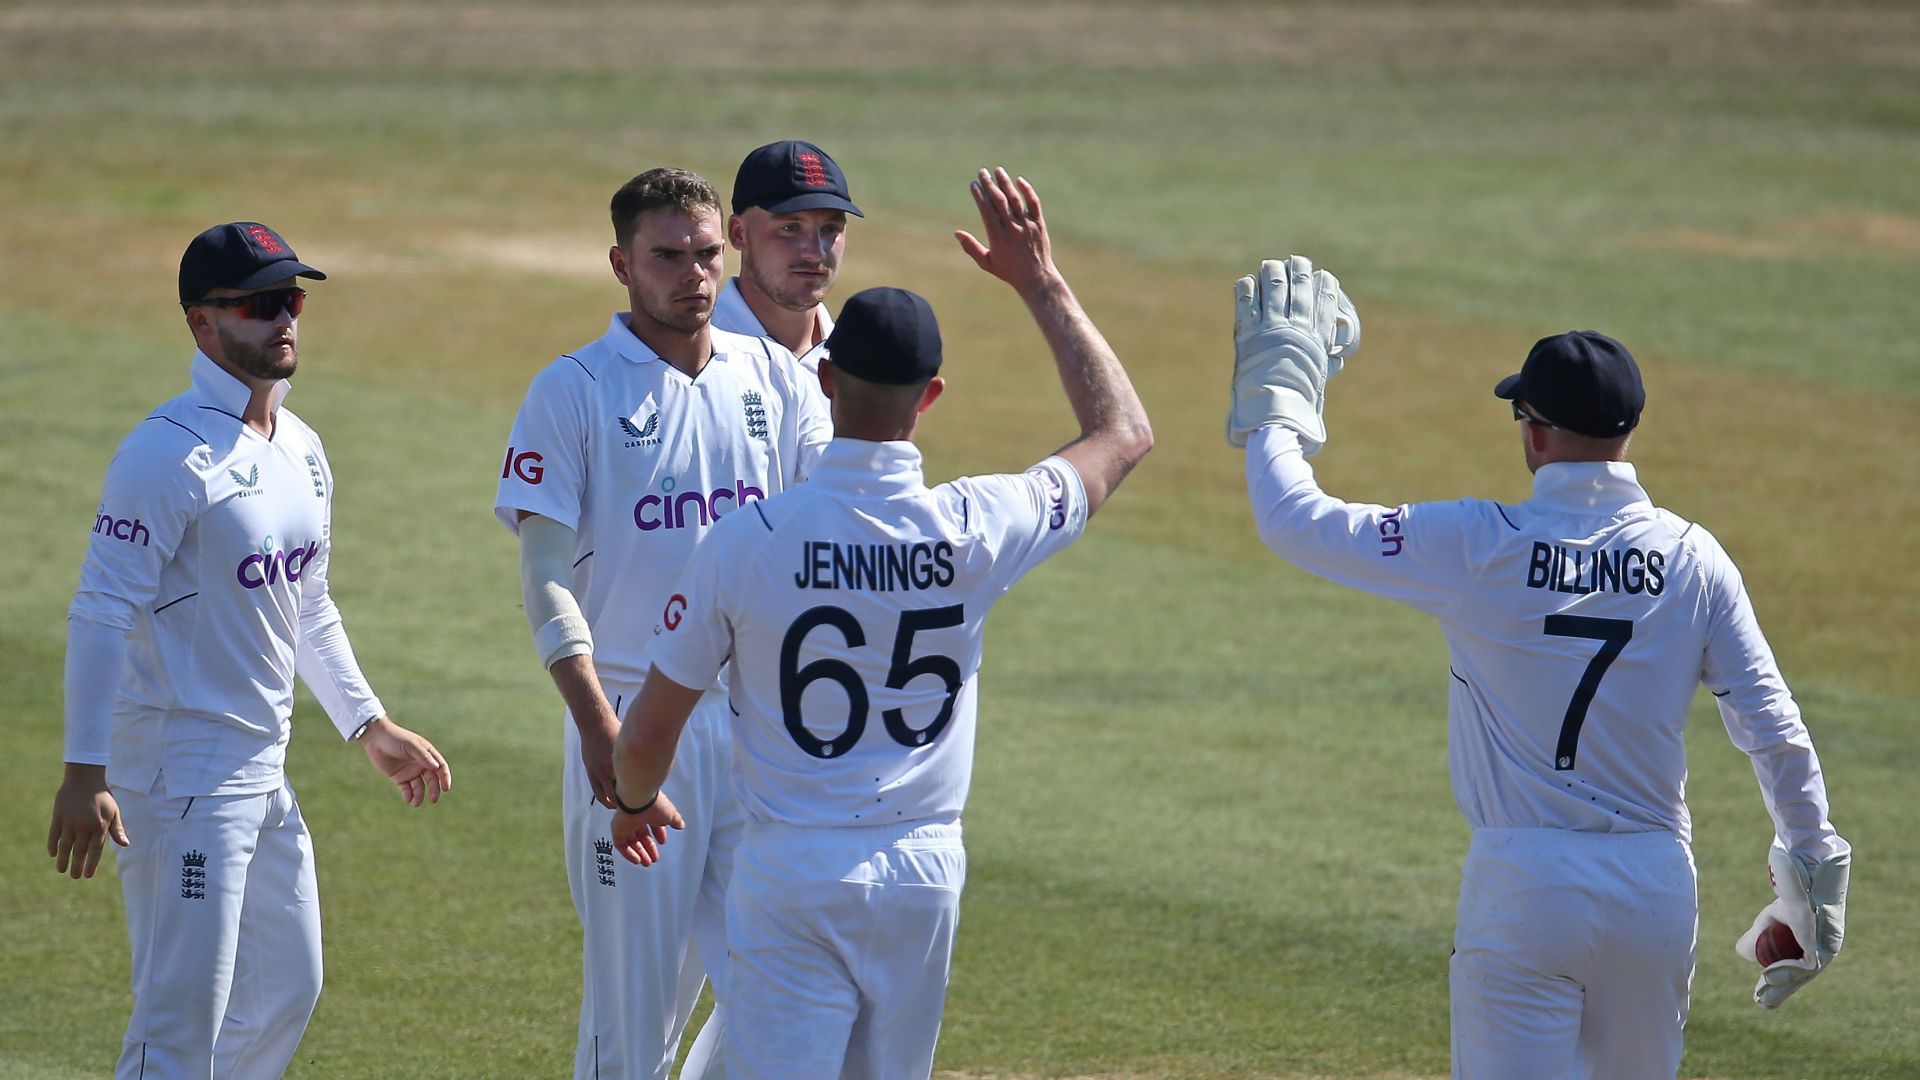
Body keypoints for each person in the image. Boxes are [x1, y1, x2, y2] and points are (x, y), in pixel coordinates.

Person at [1225, 257, 1851, 1078]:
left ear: (1533, 429)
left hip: (1525, 885)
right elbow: (1773, 728)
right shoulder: (1695, 560)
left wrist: (1282, 389)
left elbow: (1291, 517)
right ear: (1629, 429)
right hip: (1654, 886)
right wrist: (1812, 885)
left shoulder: (1476, 546)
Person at [608, 167, 1153, 1080]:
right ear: (929, 397)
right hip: (924, 872)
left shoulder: (747, 541)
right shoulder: (978, 524)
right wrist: (1041, 283)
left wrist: (631, 803)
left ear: (824, 382)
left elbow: (649, 733)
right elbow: (1122, 431)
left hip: (793, 868)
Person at [46, 221, 453, 1078]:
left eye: (291, 300)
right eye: (259, 304)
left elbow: (308, 603)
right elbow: (98, 613)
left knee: (285, 992)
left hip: (264, 767)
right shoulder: (165, 453)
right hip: (179, 775)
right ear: (202, 323)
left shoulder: (301, 449)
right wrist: (86, 772)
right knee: (179, 1024)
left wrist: (367, 724)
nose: (283, 320)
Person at [494, 167, 832, 1080]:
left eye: (707, 254)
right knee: (631, 1023)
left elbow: (822, 538)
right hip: (637, 721)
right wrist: (599, 727)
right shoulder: (572, 391)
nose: (693, 274)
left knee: (780, 991)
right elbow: (542, 576)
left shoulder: (774, 379)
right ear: (620, 263)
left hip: (759, 732)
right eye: (667, 256)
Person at [712, 139, 861, 371]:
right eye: (790, 228)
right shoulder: (692, 355)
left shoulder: (859, 364)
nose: (814, 252)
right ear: (738, 233)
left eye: (830, 229)